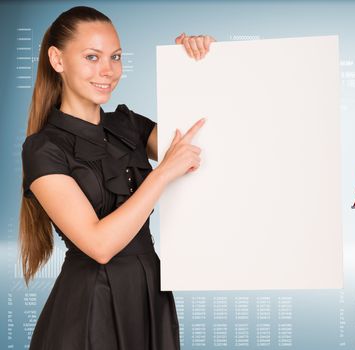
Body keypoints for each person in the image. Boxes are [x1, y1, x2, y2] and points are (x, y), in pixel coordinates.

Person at [18, 6, 214, 349]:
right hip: (91, 304)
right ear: (58, 59)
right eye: (92, 57)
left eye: (116, 56)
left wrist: (199, 64)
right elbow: (99, 246)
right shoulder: (43, 149)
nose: (107, 71)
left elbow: (204, 146)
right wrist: (163, 172)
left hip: (150, 294)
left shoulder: (128, 125)